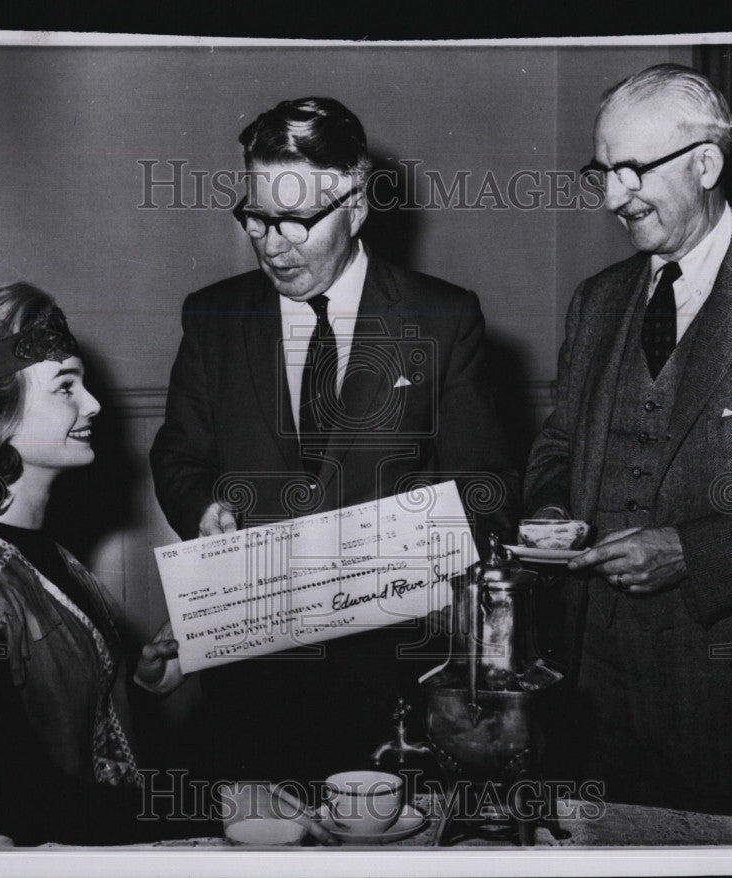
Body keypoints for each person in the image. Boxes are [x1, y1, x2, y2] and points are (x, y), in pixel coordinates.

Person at [522, 64, 732, 837]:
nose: (612, 196)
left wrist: (689, 553)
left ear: (706, 164)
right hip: (589, 696)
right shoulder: (597, 301)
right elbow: (556, 446)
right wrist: (549, 513)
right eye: (603, 172)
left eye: (634, 170)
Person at [150, 97, 518, 783]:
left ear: (356, 205)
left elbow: (487, 494)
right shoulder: (213, 316)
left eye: (296, 220)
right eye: (255, 215)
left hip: (393, 690)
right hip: (251, 689)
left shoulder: (443, 318)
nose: (270, 241)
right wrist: (202, 509)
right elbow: (178, 455)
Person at [0, 284, 207, 846]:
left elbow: (71, 737)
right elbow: (29, 806)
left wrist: (138, 682)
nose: (94, 404)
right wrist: (213, 804)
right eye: (66, 387)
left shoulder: (44, 554)